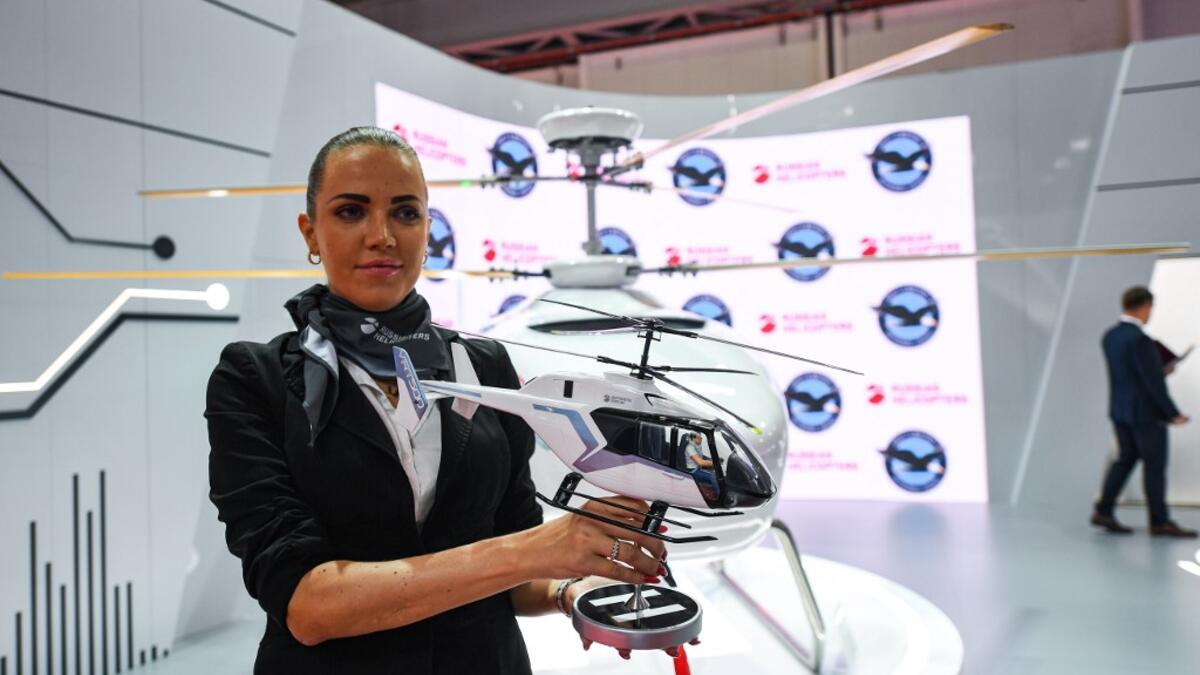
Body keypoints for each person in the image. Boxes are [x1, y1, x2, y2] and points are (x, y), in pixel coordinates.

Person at [205, 127, 669, 673]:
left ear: (428, 228)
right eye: (351, 212)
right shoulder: (254, 378)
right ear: (311, 233)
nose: (381, 236)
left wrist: (573, 583)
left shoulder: (488, 366)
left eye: (405, 213)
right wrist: (539, 548)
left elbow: (515, 572)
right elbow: (308, 607)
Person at [1090, 285, 1195, 538]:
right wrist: (1172, 413)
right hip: (1145, 413)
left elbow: (1130, 374)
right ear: (1145, 306)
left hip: (1120, 409)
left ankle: (1103, 509)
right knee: (1155, 466)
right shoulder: (1140, 339)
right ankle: (1160, 521)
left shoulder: (1110, 336)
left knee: (1125, 459)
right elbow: (1152, 382)